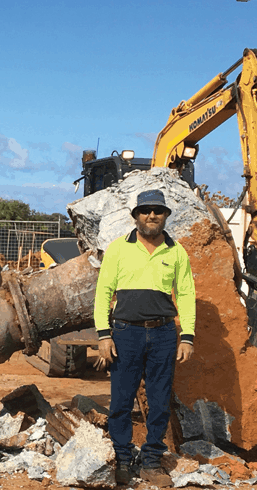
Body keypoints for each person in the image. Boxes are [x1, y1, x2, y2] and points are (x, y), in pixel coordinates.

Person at [93, 189, 196, 487]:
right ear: (136, 215)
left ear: (165, 216)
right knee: (121, 401)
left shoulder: (176, 252)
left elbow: (186, 295)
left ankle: (152, 461)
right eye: (146, 210)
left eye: (158, 210)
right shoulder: (118, 249)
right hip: (126, 333)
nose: (152, 215)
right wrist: (103, 335)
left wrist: (186, 337)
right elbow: (103, 294)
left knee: (160, 400)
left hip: (164, 333)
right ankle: (123, 459)